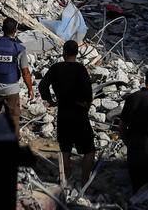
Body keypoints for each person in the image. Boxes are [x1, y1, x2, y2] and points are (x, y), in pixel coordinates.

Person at [38, 40, 96, 188]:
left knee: (65, 149)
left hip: (63, 112)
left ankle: (65, 182)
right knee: (89, 150)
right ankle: (84, 183)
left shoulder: (56, 68)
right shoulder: (80, 69)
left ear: (64, 52)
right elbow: (88, 92)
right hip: (79, 112)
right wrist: (86, 104)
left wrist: (50, 100)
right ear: (77, 53)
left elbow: (42, 85)